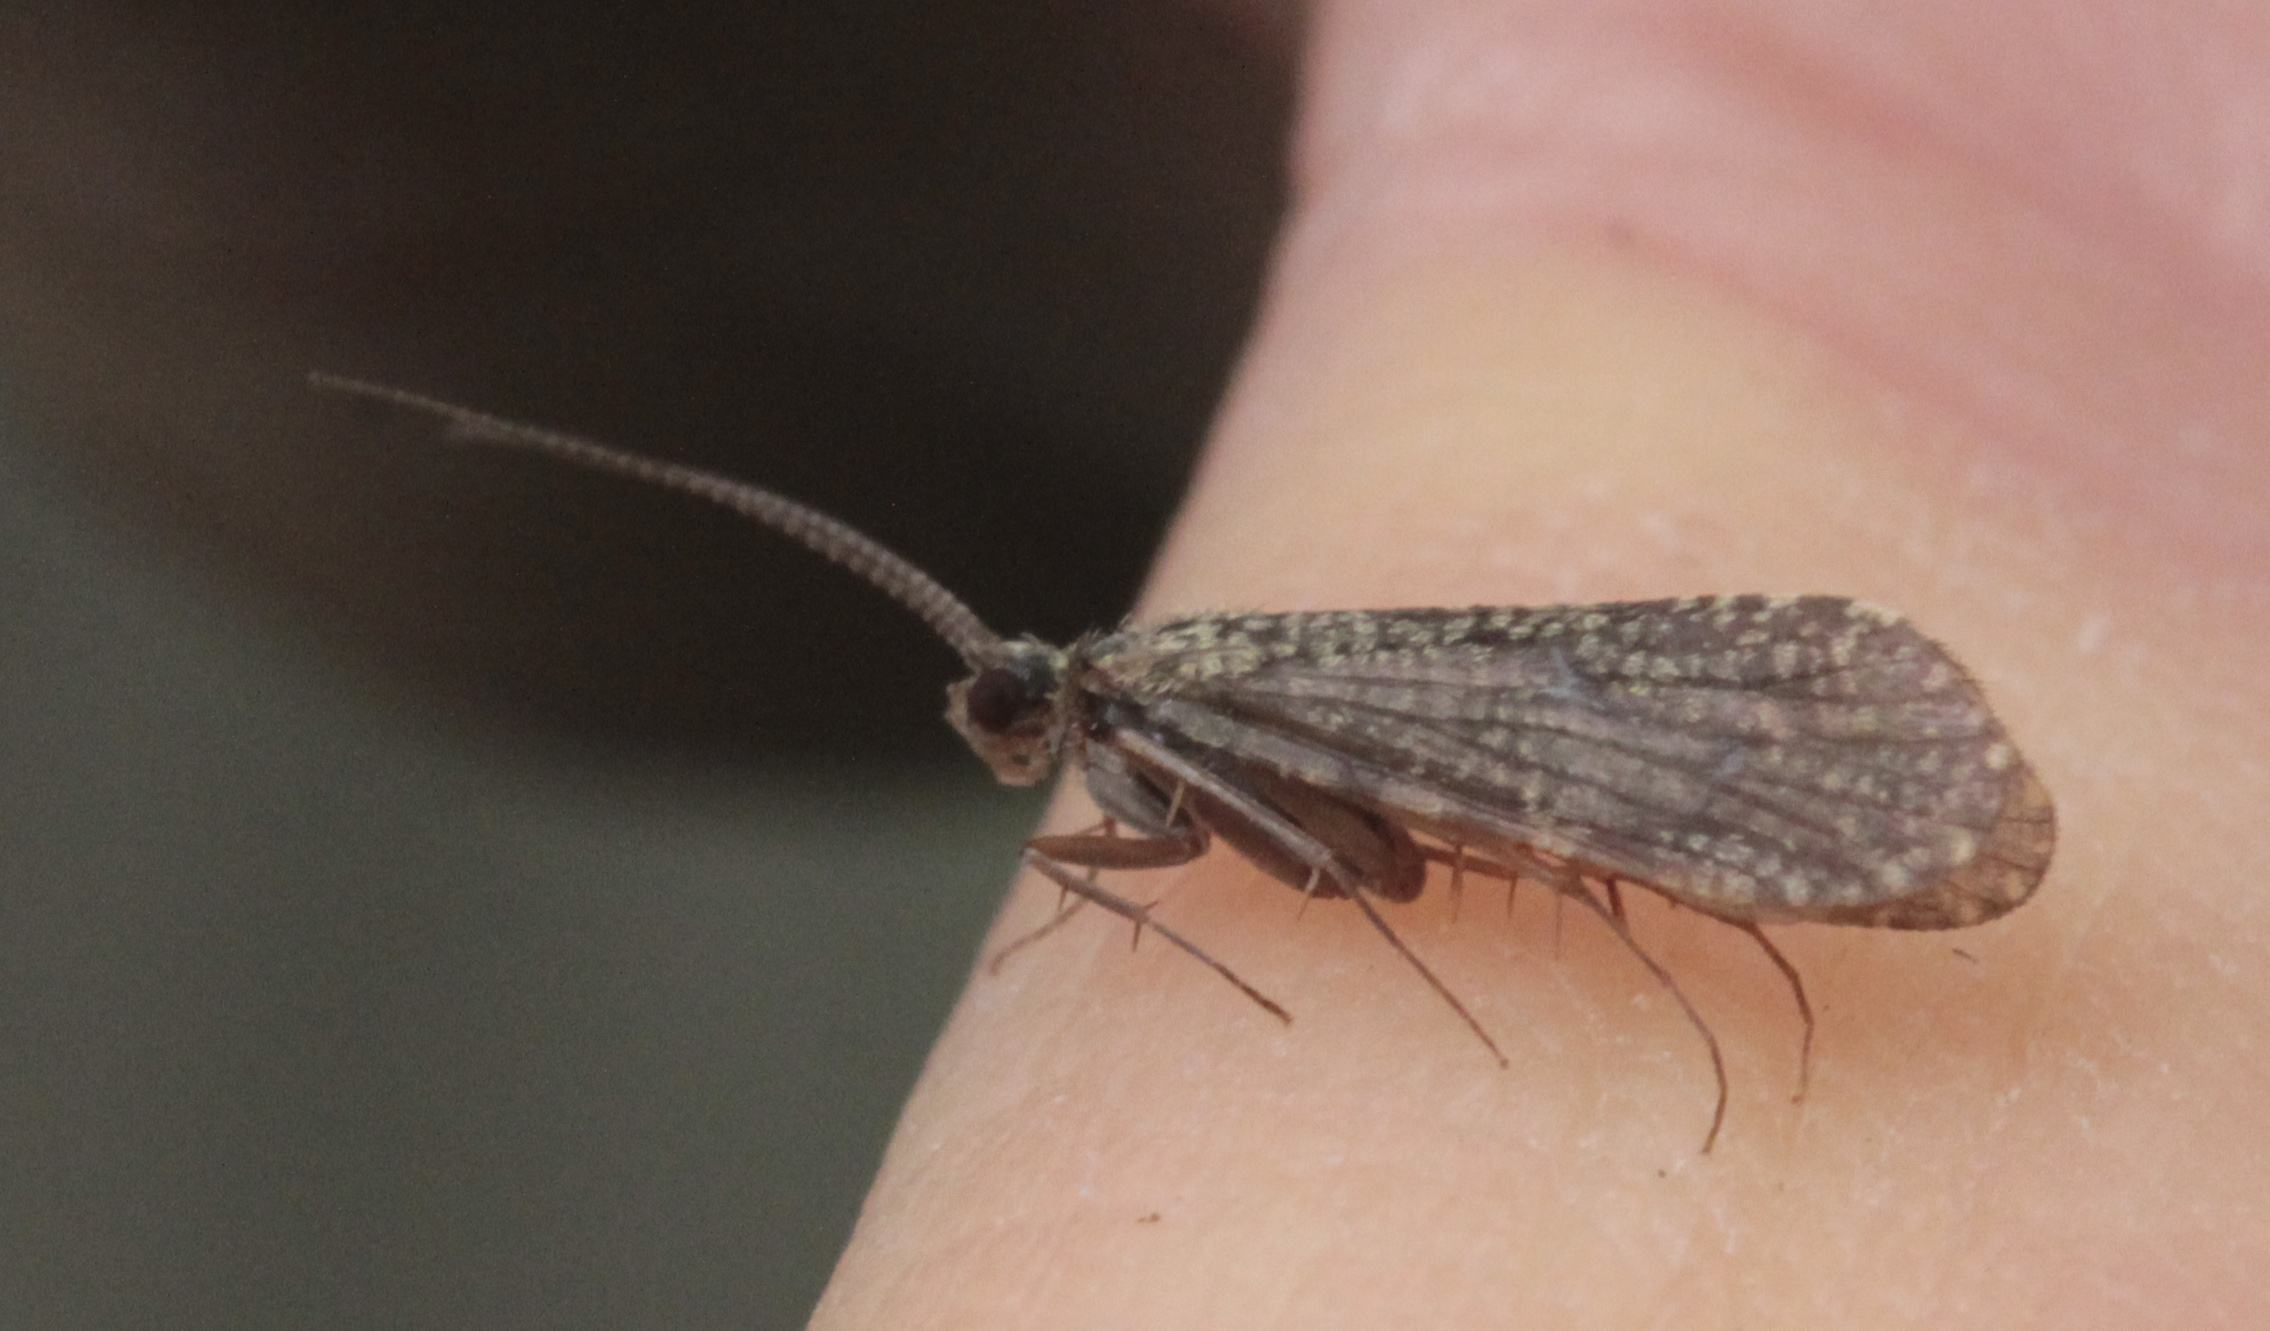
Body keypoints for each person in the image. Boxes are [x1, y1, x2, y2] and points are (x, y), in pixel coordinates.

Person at [812, 1, 2270, 1324]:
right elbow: (1320, 854)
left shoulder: (1137, 704)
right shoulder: (1131, 718)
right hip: (1461, 706)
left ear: (1040, 698)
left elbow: (1346, 851)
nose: (999, 734)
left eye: (1003, 711)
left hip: (1479, 719)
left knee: (1507, 804)